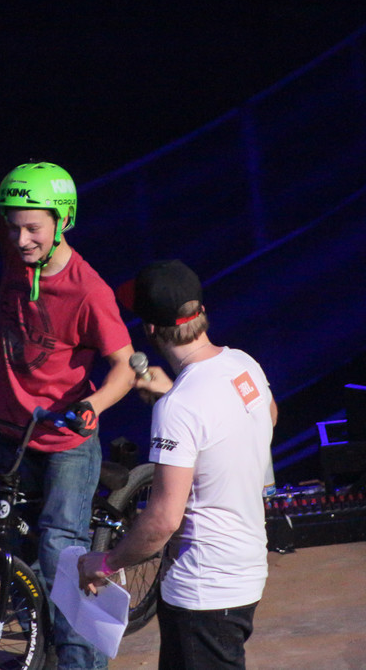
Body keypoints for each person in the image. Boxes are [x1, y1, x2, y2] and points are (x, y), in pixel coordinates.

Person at [0, 39, 134, 670]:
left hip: (66, 439)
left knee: (61, 548)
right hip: (14, 432)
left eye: (32, 227)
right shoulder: (15, 248)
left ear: (61, 221)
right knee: (18, 541)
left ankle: (80, 662)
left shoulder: (87, 289)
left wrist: (92, 407)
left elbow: (125, 365)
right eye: (13, 227)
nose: (19, 239)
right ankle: (42, 635)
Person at [78, 259, 278, 670]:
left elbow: (163, 519)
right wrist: (174, 394)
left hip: (203, 591)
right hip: (244, 573)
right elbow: (266, 417)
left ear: (150, 329)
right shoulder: (244, 365)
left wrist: (106, 563)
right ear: (200, 311)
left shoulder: (179, 406)